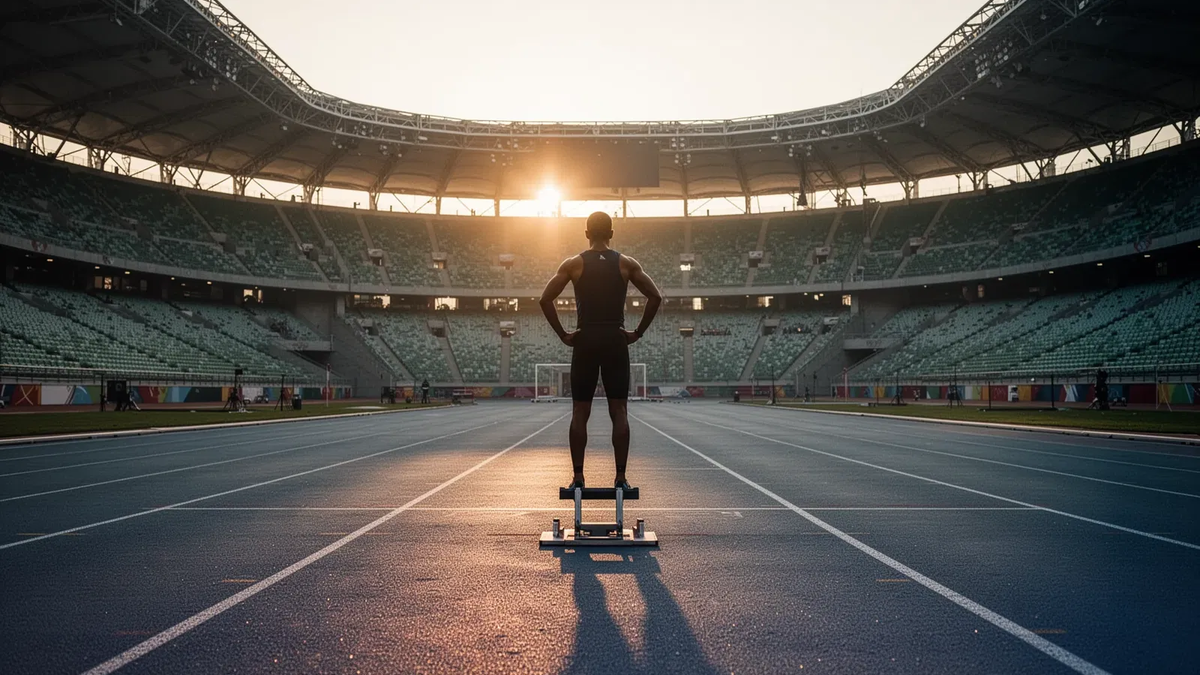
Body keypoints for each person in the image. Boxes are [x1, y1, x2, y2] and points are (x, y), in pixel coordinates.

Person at [539, 211, 663, 490]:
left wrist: (563, 334)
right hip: (615, 339)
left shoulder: (573, 264)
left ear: (586, 234)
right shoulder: (627, 264)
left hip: (585, 339)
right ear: (611, 233)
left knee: (580, 411)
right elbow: (655, 297)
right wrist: (637, 333)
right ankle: (620, 477)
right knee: (619, 411)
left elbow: (545, 299)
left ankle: (578, 477)